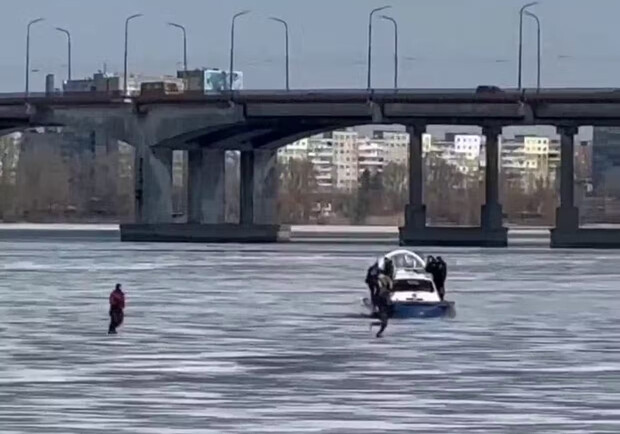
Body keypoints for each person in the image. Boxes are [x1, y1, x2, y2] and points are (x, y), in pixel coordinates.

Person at [370, 257, 394, 338]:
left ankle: (377, 330)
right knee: (384, 323)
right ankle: (378, 332)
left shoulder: (385, 281)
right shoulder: (383, 292)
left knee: (384, 323)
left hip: (383, 308)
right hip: (383, 309)